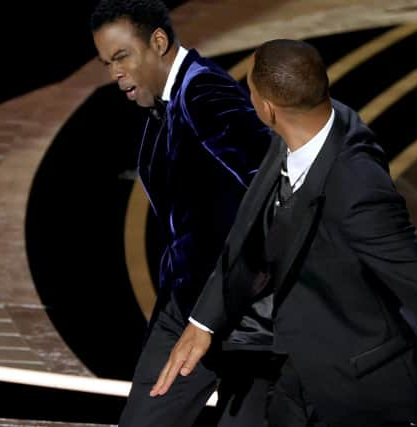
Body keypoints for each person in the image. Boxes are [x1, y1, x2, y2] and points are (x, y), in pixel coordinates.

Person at [152, 39, 417, 427]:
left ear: (268, 109)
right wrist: (203, 322)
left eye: (250, 91)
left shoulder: (358, 189)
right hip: (299, 372)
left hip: (359, 389)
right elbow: (250, 230)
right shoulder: (305, 126)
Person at [90, 1, 272, 426]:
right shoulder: (166, 103)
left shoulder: (207, 94)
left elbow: (269, 186)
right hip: (185, 307)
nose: (115, 74)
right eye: (106, 63)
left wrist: (214, 312)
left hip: (243, 316)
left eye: (121, 57)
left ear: (158, 42)